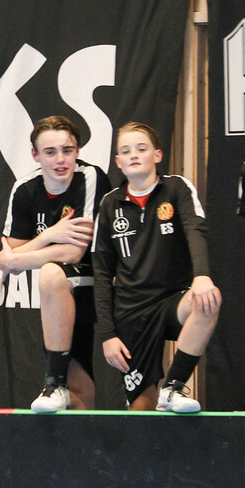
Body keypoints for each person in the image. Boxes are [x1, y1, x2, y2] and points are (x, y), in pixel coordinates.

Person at [92, 121, 221, 413]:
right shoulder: (110, 204)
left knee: (209, 300)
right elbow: (101, 274)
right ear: (118, 162)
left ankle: (173, 387)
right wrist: (108, 335)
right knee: (142, 409)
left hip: (171, 301)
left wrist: (202, 276)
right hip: (131, 311)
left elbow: (195, 230)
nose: (134, 155)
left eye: (141, 148)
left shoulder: (176, 188)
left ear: (157, 155)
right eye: (126, 151)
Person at [0, 116, 111, 412]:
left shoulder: (90, 177)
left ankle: (54, 382)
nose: (60, 160)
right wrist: (50, 235)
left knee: (50, 272)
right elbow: (12, 254)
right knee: (78, 378)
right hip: (63, 288)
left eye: (67, 150)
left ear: (78, 151)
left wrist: (17, 259)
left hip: (100, 278)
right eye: (50, 152)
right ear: (35, 155)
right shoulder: (25, 188)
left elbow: (74, 252)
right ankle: (63, 393)